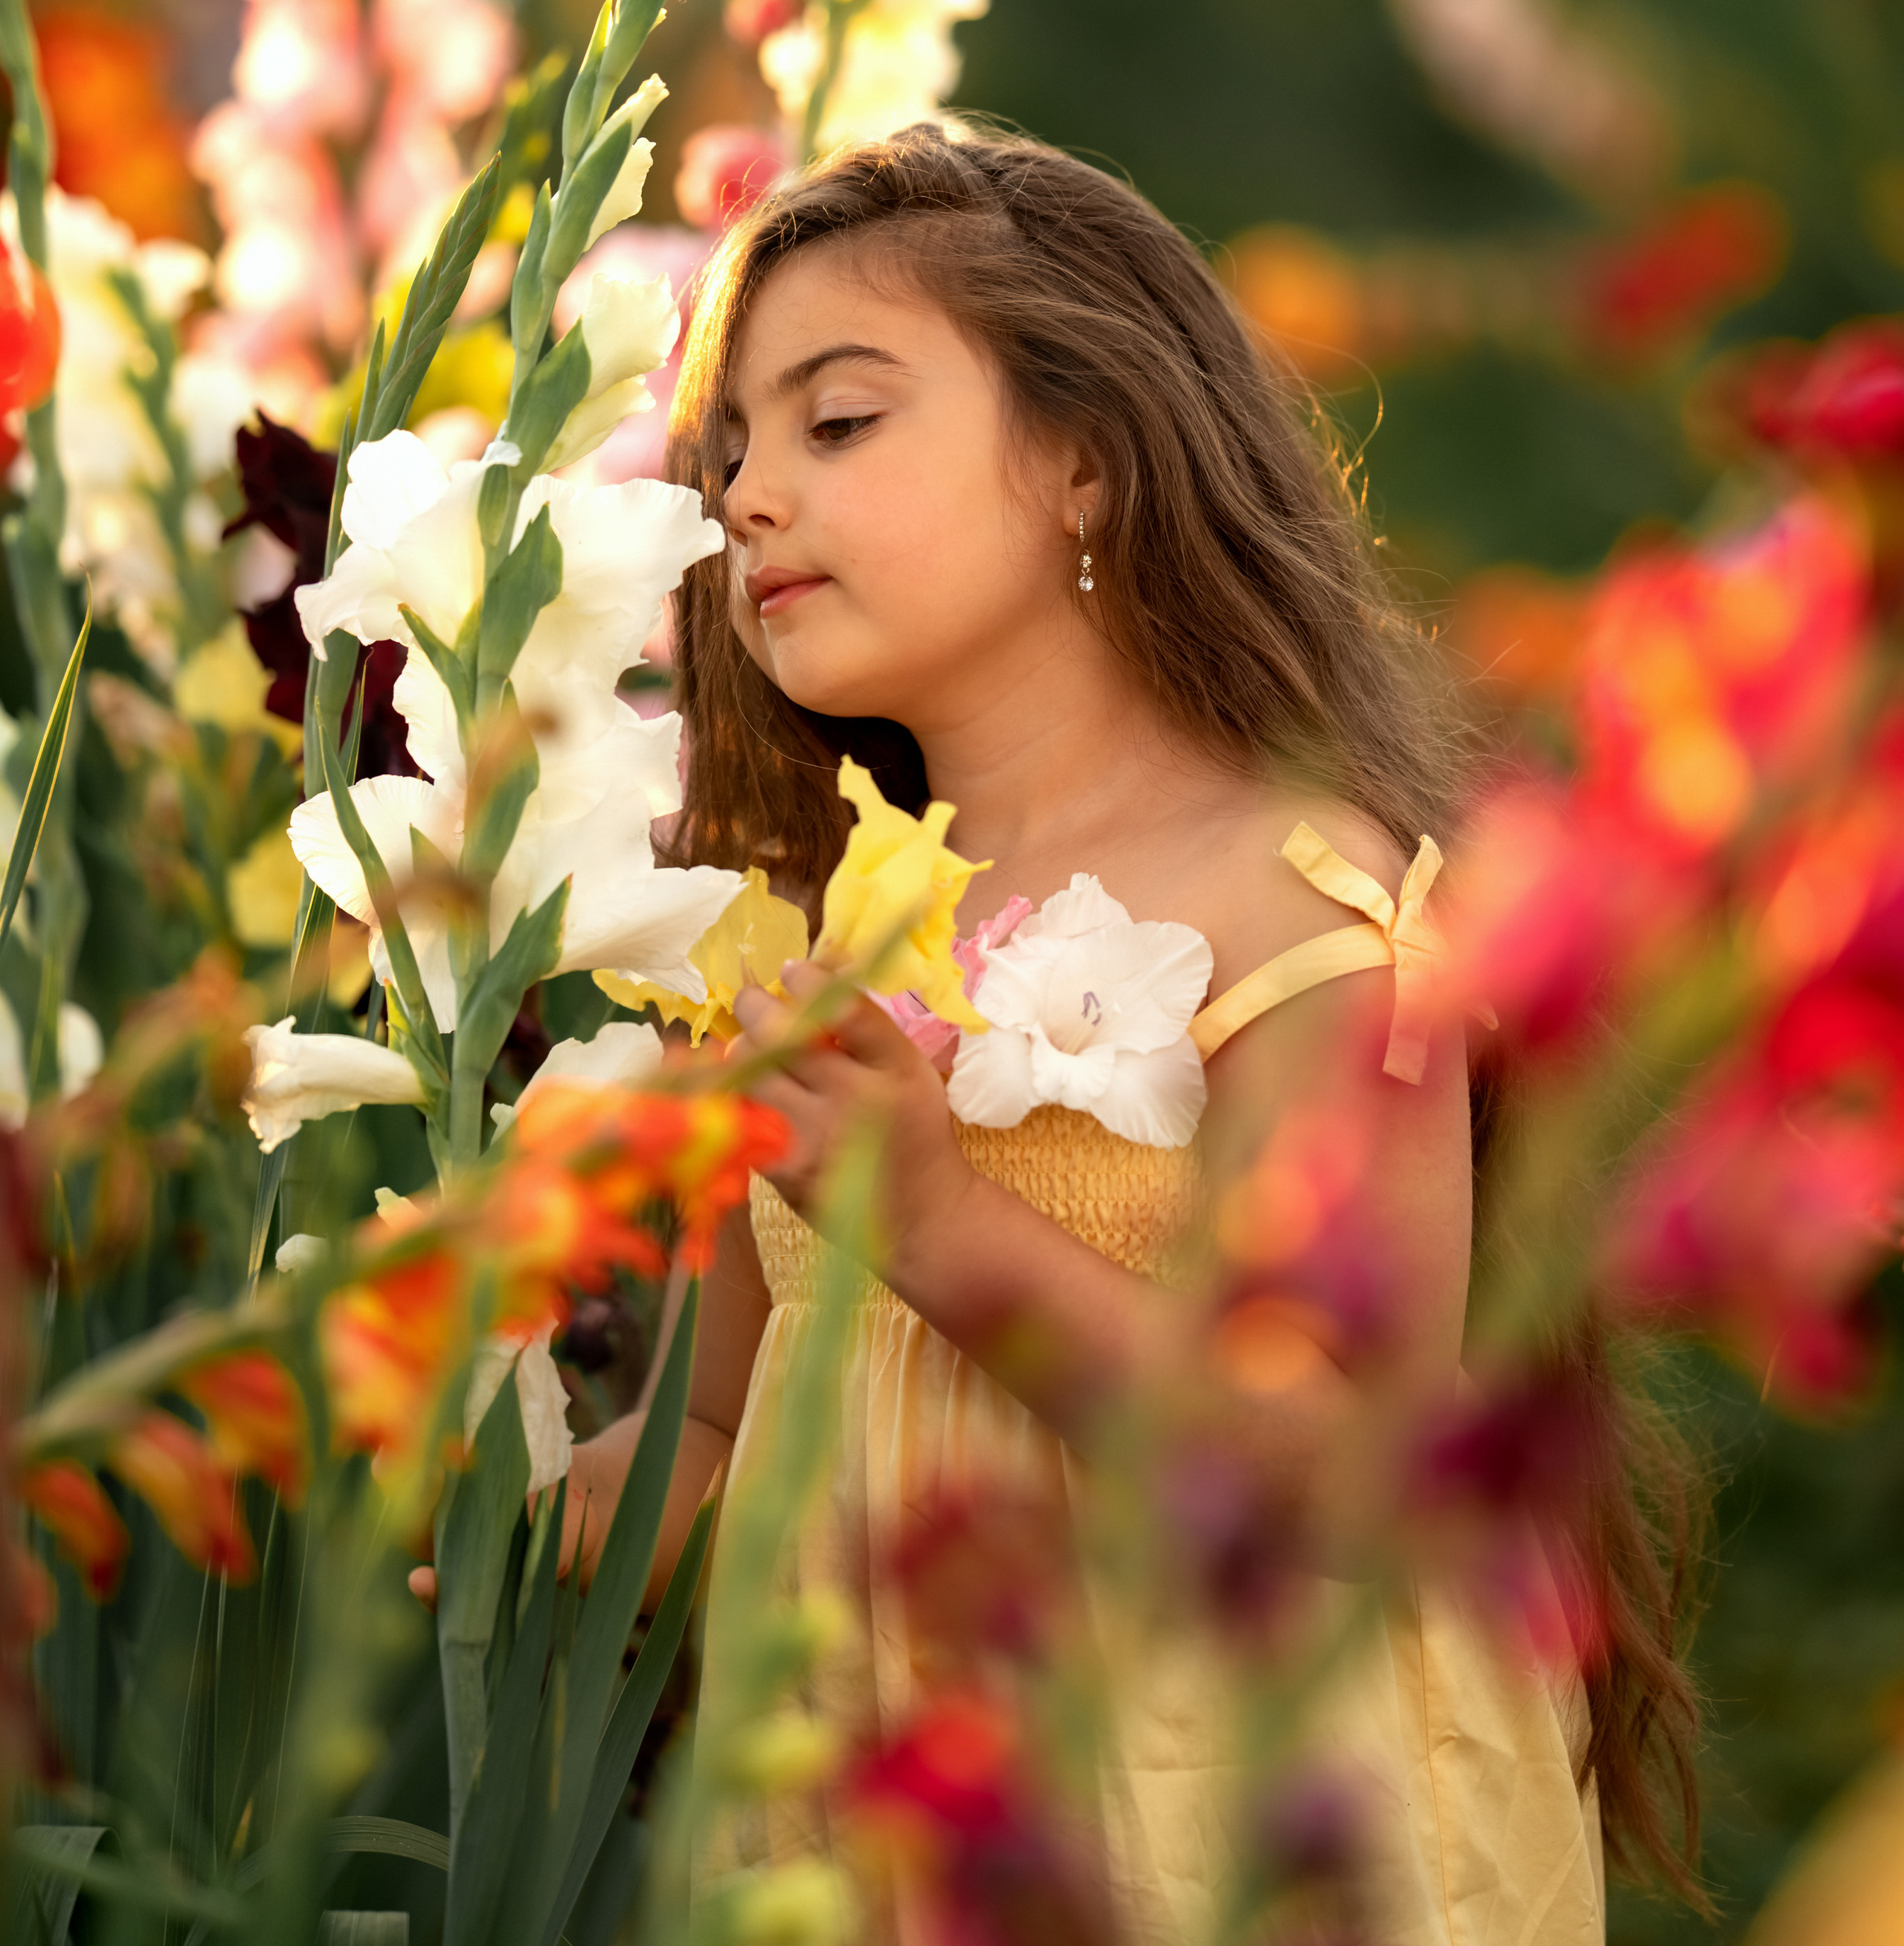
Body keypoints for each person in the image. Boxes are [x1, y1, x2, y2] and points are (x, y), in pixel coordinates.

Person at [560, 123, 1699, 1943]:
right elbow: (712, 1423)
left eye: (836, 423)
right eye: (729, 451)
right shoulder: (797, 936)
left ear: (1084, 462)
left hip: (1221, 1834)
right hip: (883, 1841)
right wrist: (502, 1476)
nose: (750, 496)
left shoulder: (1300, 904)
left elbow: (1355, 1479)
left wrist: (943, 1228)